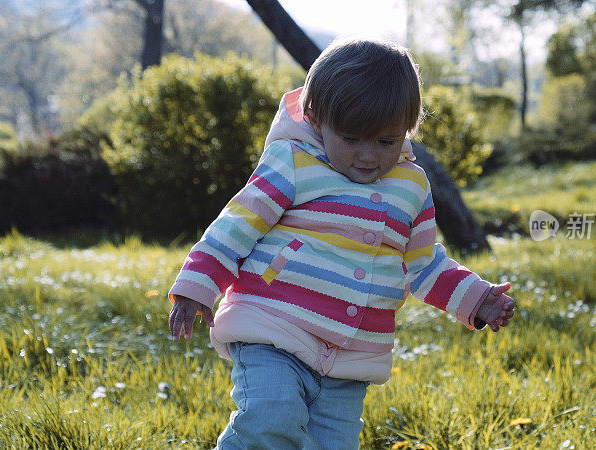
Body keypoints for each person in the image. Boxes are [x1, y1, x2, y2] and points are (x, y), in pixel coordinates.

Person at [167, 38, 515, 449]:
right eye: (351, 139)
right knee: (270, 418)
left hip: (351, 357)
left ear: (408, 128)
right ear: (316, 118)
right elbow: (235, 227)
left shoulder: (411, 187)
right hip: (274, 327)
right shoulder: (294, 163)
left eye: (386, 142)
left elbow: (423, 265)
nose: (368, 156)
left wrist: (477, 299)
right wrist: (197, 288)